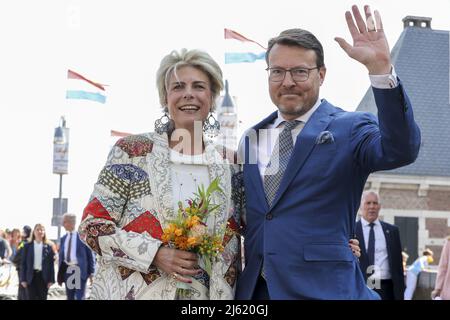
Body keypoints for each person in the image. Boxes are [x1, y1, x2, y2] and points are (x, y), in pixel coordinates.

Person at [236, 5, 421, 300]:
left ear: (321, 74)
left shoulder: (350, 128)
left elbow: (401, 148)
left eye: (300, 71)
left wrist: (380, 71)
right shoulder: (250, 139)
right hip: (256, 293)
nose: (287, 81)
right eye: (278, 71)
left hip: (325, 290)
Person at [79, 48, 243, 300]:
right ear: (165, 98)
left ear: (212, 97)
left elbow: (257, 227)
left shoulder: (232, 164)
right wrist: (154, 253)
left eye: (199, 86)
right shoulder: (132, 152)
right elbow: (93, 227)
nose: (188, 93)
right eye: (178, 87)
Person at [355, 191, 405, 300]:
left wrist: (400, 293)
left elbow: (398, 266)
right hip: (361, 287)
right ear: (361, 206)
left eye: (375, 203)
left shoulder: (392, 231)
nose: (372, 206)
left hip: (387, 289)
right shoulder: (352, 230)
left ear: (380, 206)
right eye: (368, 203)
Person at [58, 213, 95, 300]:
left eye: (65, 222)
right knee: (70, 297)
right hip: (68, 271)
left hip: (79, 270)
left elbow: (90, 255)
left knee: (79, 297)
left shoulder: (82, 237)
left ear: (72, 223)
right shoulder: (64, 238)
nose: (63, 224)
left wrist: (91, 273)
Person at [20, 224, 55, 300]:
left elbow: (51, 265)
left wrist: (51, 280)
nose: (40, 231)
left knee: (42, 297)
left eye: (42, 229)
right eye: (37, 229)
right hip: (31, 277)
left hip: (43, 277)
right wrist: (23, 279)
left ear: (44, 232)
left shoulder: (49, 247)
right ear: (34, 232)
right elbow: (23, 264)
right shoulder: (27, 246)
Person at [11, 225, 31, 300]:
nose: (22, 233)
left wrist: (14, 261)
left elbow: (19, 253)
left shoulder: (24, 243)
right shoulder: (29, 242)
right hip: (24, 268)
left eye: (23, 231)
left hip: (22, 268)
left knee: (22, 288)